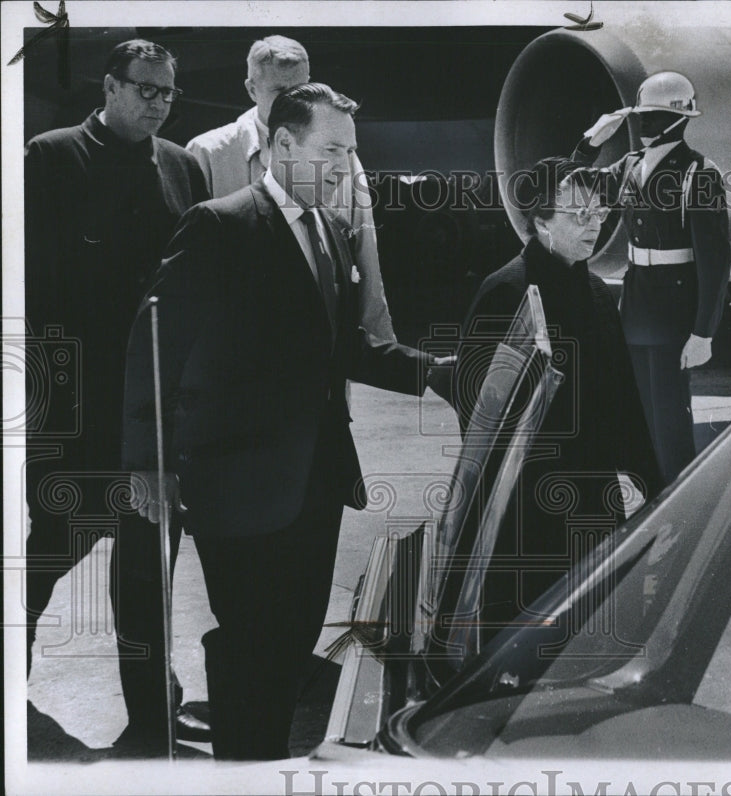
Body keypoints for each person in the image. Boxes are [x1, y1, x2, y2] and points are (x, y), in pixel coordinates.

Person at [122, 83, 449, 760]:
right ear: (282, 144)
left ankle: (263, 759)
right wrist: (146, 461)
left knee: (291, 644)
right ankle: (246, 766)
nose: (343, 165)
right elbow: (153, 345)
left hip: (316, 483)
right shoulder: (220, 224)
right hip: (237, 485)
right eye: (332, 149)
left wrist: (444, 374)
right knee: (250, 646)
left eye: (350, 153)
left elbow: (346, 348)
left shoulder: (330, 231)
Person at [23, 38, 209, 755]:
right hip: (77, 414)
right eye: (146, 90)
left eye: (169, 93)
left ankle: (150, 715)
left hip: (156, 416)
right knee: (48, 554)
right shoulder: (53, 156)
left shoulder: (184, 167)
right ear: (109, 86)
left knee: (144, 571)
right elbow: (35, 293)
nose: (159, 104)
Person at [453, 157, 665, 636]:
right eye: (578, 216)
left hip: (594, 497)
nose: (595, 225)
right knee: (525, 634)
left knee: (592, 627)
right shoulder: (506, 291)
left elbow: (623, 399)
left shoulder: (597, 292)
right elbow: (477, 411)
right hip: (528, 504)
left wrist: (647, 479)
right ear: (541, 219)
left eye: (600, 213)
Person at [574, 71, 731, 484]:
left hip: (673, 315)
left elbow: (715, 261)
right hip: (636, 309)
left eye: (655, 116)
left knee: (669, 424)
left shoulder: (699, 173)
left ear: (680, 120)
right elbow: (570, 185)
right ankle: (650, 507)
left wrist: (703, 332)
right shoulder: (628, 167)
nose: (644, 124)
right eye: (642, 115)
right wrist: (590, 142)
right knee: (637, 422)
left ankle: (675, 515)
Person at [185, 34, 395, 342]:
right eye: (279, 90)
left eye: (299, 88)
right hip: (235, 351)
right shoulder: (206, 153)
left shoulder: (342, 156)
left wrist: (381, 344)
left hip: (320, 351)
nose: (292, 100)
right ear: (251, 89)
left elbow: (364, 249)